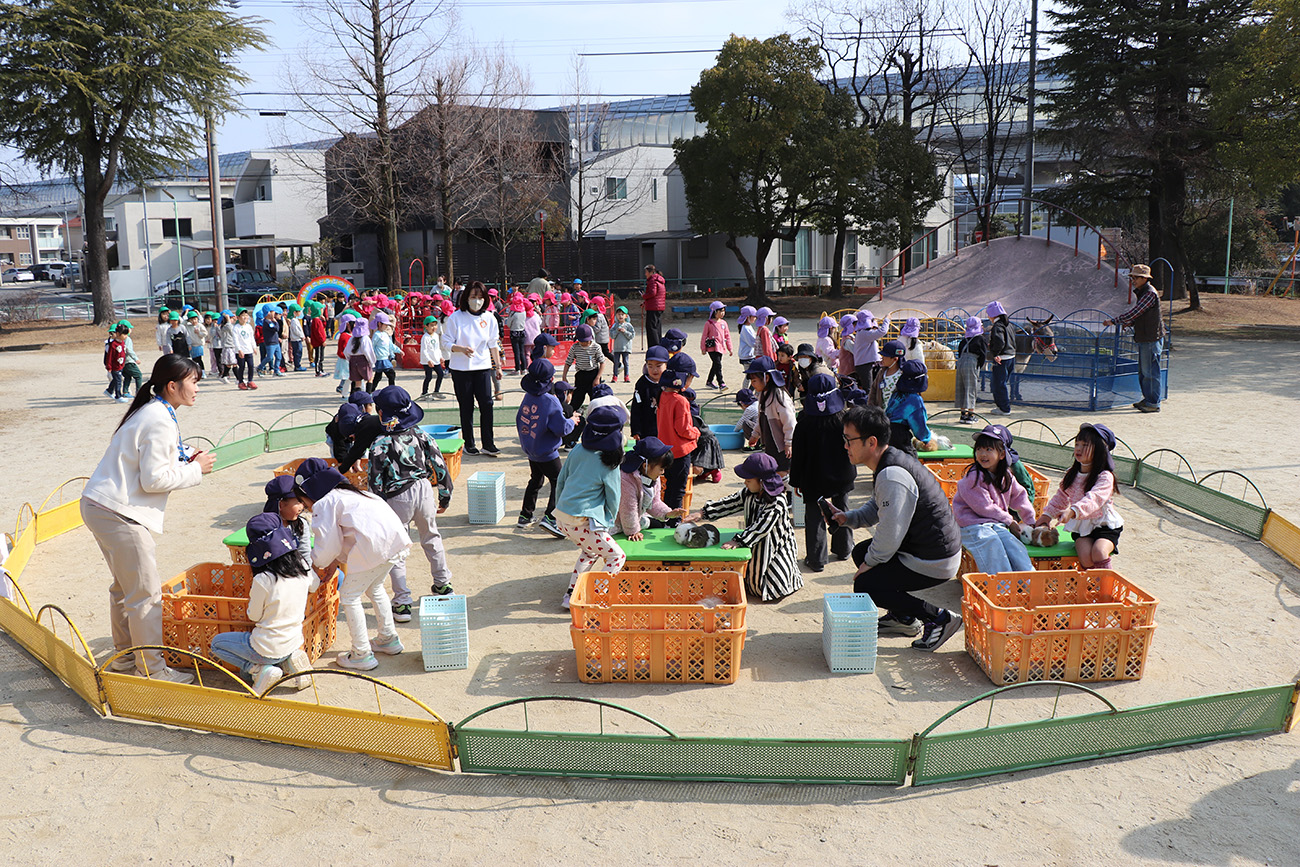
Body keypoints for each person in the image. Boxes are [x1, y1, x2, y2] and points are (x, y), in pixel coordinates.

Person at [81, 354, 216, 683]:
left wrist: (186, 456)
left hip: (100, 505)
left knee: (124, 589)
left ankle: (126, 661)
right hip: (118, 513)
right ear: (173, 386)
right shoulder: (158, 417)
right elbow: (153, 480)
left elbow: (155, 460)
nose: (197, 388)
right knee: (145, 595)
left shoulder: (155, 410)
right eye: (194, 382)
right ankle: (153, 671)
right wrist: (195, 470)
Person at [829, 404, 963, 651]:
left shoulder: (891, 475)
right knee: (861, 553)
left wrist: (869, 566)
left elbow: (890, 535)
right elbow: (875, 509)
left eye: (849, 440)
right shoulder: (888, 461)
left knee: (866, 583)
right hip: (927, 547)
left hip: (935, 558)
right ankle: (903, 618)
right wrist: (848, 518)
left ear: (871, 442)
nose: (845, 446)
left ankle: (939, 617)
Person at [293, 457, 410, 671]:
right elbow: (349, 531)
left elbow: (327, 544)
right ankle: (388, 639)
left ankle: (361, 653)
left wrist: (317, 563)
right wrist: (334, 561)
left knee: (349, 595)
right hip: (394, 544)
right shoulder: (355, 493)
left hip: (374, 548)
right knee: (375, 588)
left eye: (305, 502)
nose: (308, 509)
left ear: (309, 493)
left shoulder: (325, 502)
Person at [368, 387, 456, 622]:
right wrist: (445, 494)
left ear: (381, 412)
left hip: (396, 496)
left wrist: (375, 508)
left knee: (397, 548)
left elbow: (374, 480)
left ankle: (402, 601)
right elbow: (440, 465)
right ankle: (443, 584)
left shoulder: (380, 443)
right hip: (424, 489)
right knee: (432, 537)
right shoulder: (422, 435)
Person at [209, 512, 317, 693]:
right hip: (293, 640)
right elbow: (315, 585)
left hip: (264, 646)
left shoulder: (264, 579)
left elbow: (253, 615)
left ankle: (260, 670)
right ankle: (289, 662)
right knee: (273, 655)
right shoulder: (303, 567)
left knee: (217, 644)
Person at [689, 452, 802, 603]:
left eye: (748, 480)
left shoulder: (777, 502)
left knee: (770, 583)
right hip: (754, 543)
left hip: (774, 548)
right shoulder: (749, 492)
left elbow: (761, 528)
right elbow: (730, 503)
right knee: (750, 577)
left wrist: (739, 540)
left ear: (762, 482)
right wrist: (703, 513)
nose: (745, 483)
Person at [554, 406, 627, 609]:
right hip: (582, 521)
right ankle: (592, 596)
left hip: (563, 516)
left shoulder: (577, 449)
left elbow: (561, 480)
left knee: (590, 551)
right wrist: (608, 522)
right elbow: (614, 497)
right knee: (617, 556)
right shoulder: (609, 460)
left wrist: (561, 507)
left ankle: (571, 595)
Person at [789, 373, 856, 572]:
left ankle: (816, 559)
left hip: (812, 477)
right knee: (842, 508)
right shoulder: (844, 419)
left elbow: (798, 455)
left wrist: (796, 481)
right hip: (841, 474)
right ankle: (844, 548)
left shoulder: (804, 422)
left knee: (814, 516)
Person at [1036, 423, 1124, 569]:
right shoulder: (1072, 473)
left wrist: (1072, 511)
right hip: (1082, 527)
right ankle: (1090, 587)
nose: (1078, 448)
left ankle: (1105, 586)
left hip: (1104, 526)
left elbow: (1094, 498)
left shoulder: (1105, 477)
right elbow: (1061, 497)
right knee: (1085, 558)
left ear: (1100, 450)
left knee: (1099, 552)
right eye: (1077, 444)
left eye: (1085, 445)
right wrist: (1046, 516)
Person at [953, 425, 1036, 575]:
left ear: (1002, 454)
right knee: (991, 542)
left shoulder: (1006, 476)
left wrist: (1031, 521)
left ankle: (1029, 581)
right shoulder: (973, 477)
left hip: (995, 523)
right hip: (971, 525)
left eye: (989, 450)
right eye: (979, 449)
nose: (982, 454)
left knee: (1011, 543)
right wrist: (1009, 520)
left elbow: (1020, 497)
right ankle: (1002, 587)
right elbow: (984, 507)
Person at [516, 358, 576, 537]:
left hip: (531, 449)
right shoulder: (551, 400)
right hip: (547, 452)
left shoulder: (528, 396)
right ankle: (551, 517)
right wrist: (572, 421)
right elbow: (561, 429)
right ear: (550, 380)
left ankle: (525, 515)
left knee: (536, 479)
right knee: (560, 481)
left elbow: (520, 419)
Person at [443, 281, 504, 456]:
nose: (476, 301)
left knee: (487, 404)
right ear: (466, 297)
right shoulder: (456, 317)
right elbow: (446, 342)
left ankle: (488, 443)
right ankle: (469, 443)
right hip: (461, 369)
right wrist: (460, 349)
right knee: (466, 406)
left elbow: (493, 344)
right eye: (473, 297)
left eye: (480, 297)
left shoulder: (489, 318)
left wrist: (497, 366)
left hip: (483, 367)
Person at [1105, 263, 1164, 412]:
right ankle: (1148, 399)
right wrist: (1130, 322)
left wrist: (1115, 321)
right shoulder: (1143, 292)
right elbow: (1139, 315)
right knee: (1144, 372)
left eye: (1137, 277)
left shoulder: (1149, 293)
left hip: (1151, 338)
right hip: (1146, 337)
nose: (1133, 280)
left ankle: (1153, 403)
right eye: (1132, 277)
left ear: (1145, 279)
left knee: (1150, 372)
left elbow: (1136, 312)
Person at [616, 437, 687, 539]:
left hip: (633, 518)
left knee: (659, 524)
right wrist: (633, 532)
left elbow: (654, 502)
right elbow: (628, 508)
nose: (663, 472)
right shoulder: (626, 479)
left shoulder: (653, 476)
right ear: (646, 465)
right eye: (661, 469)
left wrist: (667, 513)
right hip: (616, 522)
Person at [656, 364, 699, 509]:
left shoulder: (662, 396)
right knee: (678, 490)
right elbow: (684, 429)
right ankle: (674, 521)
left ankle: (667, 517)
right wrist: (696, 432)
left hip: (666, 450)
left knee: (669, 487)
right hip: (680, 451)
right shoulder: (680, 401)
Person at [746, 357, 795, 472]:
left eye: (754, 381)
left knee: (783, 471)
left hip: (782, 445)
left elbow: (790, 421)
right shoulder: (763, 394)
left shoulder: (779, 397)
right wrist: (755, 434)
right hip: (770, 443)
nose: (752, 385)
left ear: (766, 378)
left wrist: (789, 443)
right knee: (773, 468)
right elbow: (761, 417)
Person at [885, 359, 942, 456]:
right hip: (899, 436)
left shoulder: (896, 394)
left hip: (886, 433)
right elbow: (918, 424)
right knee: (909, 463)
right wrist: (926, 439)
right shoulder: (914, 400)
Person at [683, 387, 723, 484]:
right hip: (698, 441)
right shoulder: (690, 409)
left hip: (705, 442)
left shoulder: (691, 414)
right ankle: (706, 471)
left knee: (696, 467)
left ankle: (713, 469)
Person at [562, 323, 605, 414]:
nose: (585, 343)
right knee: (576, 400)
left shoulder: (596, 347)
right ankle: (569, 415)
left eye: (586, 341)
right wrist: (564, 376)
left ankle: (598, 416)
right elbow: (568, 362)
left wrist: (598, 377)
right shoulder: (575, 347)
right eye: (582, 341)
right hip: (581, 375)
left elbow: (602, 362)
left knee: (596, 400)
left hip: (593, 374)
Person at [630, 345, 667, 440]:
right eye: (650, 366)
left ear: (666, 365)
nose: (654, 370)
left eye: (658, 366)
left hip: (665, 428)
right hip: (646, 428)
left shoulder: (670, 382)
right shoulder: (642, 384)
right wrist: (636, 430)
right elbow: (636, 408)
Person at [955, 316, 987, 424]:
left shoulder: (964, 340)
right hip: (972, 362)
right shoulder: (980, 339)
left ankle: (963, 414)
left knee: (961, 387)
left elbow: (960, 353)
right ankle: (971, 415)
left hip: (961, 362)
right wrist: (978, 366)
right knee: (971, 388)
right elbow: (983, 355)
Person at [985, 301, 1015, 416]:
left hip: (1001, 358)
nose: (988, 317)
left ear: (993, 315)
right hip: (1011, 356)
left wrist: (995, 353)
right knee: (1003, 383)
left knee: (998, 384)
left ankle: (1004, 408)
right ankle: (1003, 406)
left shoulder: (997, 326)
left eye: (989, 314)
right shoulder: (1009, 325)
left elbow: (999, 341)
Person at [852, 310, 890, 391]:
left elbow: (875, 331)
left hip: (868, 364)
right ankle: (869, 403)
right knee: (869, 389)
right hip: (864, 365)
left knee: (876, 388)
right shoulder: (864, 334)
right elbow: (882, 331)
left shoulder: (864, 333)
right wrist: (887, 320)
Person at [701, 300, 733, 389]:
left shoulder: (724, 323)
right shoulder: (709, 323)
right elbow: (704, 336)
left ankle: (709, 381)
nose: (723, 313)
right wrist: (703, 348)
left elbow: (727, 336)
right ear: (715, 312)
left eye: (723, 311)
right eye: (720, 311)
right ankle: (721, 383)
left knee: (715, 365)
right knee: (718, 364)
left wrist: (730, 348)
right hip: (712, 348)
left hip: (721, 348)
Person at [870, 339, 905, 409]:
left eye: (885, 356)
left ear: (895, 359)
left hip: (897, 416)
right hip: (881, 415)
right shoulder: (881, 373)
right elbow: (873, 390)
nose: (882, 358)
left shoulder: (903, 375)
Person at [345, 320, 376, 397]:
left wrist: (350, 359)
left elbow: (346, 351)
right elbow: (368, 351)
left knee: (357, 382)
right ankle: (368, 396)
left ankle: (357, 398)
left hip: (353, 360)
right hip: (363, 360)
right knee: (370, 378)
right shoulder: (365, 338)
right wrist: (372, 362)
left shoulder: (352, 338)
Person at [419, 315, 445, 399]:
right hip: (427, 361)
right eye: (431, 325)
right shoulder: (425, 337)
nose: (434, 327)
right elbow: (424, 350)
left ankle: (436, 391)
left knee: (440, 374)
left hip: (436, 359)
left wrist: (440, 357)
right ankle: (424, 394)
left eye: (435, 325)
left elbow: (437, 348)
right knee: (428, 377)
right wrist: (428, 360)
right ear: (426, 326)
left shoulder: (436, 336)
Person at [231, 308, 258, 390]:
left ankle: (250, 381)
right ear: (238, 317)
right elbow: (235, 340)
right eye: (242, 315)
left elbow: (251, 338)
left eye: (246, 315)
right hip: (241, 351)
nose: (245, 317)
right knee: (241, 366)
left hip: (248, 349)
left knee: (251, 366)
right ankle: (241, 382)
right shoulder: (236, 328)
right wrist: (239, 350)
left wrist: (254, 347)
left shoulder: (249, 327)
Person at [117, 320, 144, 397]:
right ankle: (139, 393)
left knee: (127, 376)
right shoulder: (127, 339)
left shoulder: (118, 339)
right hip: (129, 361)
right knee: (138, 375)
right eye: (130, 328)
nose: (131, 330)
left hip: (122, 362)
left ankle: (125, 392)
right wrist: (136, 359)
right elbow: (129, 350)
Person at [642, 264, 665, 347]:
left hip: (653, 307)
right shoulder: (659, 280)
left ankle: (653, 345)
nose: (645, 274)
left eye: (646, 272)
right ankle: (658, 343)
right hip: (659, 306)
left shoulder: (652, 280)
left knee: (651, 327)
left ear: (651, 272)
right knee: (657, 326)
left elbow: (653, 293)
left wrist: (644, 296)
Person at [103, 325, 128, 402]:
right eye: (124, 334)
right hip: (114, 366)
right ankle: (118, 396)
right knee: (118, 381)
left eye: (126, 334)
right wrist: (109, 366)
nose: (125, 336)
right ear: (117, 334)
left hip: (120, 365)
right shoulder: (113, 345)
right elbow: (109, 356)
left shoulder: (122, 342)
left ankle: (109, 390)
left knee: (116, 379)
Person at [611, 306, 635, 382]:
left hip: (626, 347)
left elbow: (632, 335)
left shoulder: (628, 325)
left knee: (626, 362)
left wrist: (625, 332)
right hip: (617, 347)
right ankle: (615, 376)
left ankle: (626, 376)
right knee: (616, 362)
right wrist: (617, 331)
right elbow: (611, 335)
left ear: (626, 316)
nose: (620, 316)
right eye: (619, 314)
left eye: (622, 314)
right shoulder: (615, 325)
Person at [506, 293, 528, 373]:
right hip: (522, 331)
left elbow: (508, 324)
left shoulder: (513, 313)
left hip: (514, 332)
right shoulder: (524, 312)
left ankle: (517, 369)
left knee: (516, 352)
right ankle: (524, 368)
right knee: (522, 351)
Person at [184, 310, 207, 379]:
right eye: (191, 319)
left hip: (199, 345)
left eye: (195, 319)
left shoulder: (200, 325)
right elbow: (182, 323)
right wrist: (186, 315)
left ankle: (203, 372)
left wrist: (199, 333)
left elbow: (205, 333)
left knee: (199, 359)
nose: (194, 321)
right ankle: (196, 372)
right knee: (194, 360)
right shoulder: (188, 326)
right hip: (192, 345)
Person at [308, 304, 329, 376]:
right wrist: (322, 341)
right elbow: (318, 332)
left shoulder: (318, 319)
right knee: (319, 357)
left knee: (321, 357)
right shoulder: (316, 320)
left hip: (320, 342)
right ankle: (318, 371)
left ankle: (321, 369)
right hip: (318, 342)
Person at [287, 305, 306, 371]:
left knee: (299, 352)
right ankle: (297, 366)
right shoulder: (293, 321)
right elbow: (296, 330)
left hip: (297, 339)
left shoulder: (295, 320)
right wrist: (301, 336)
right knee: (297, 352)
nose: (300, 312)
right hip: (296, 339)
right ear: (294, 312)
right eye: (299, 311)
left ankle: (298, 365)